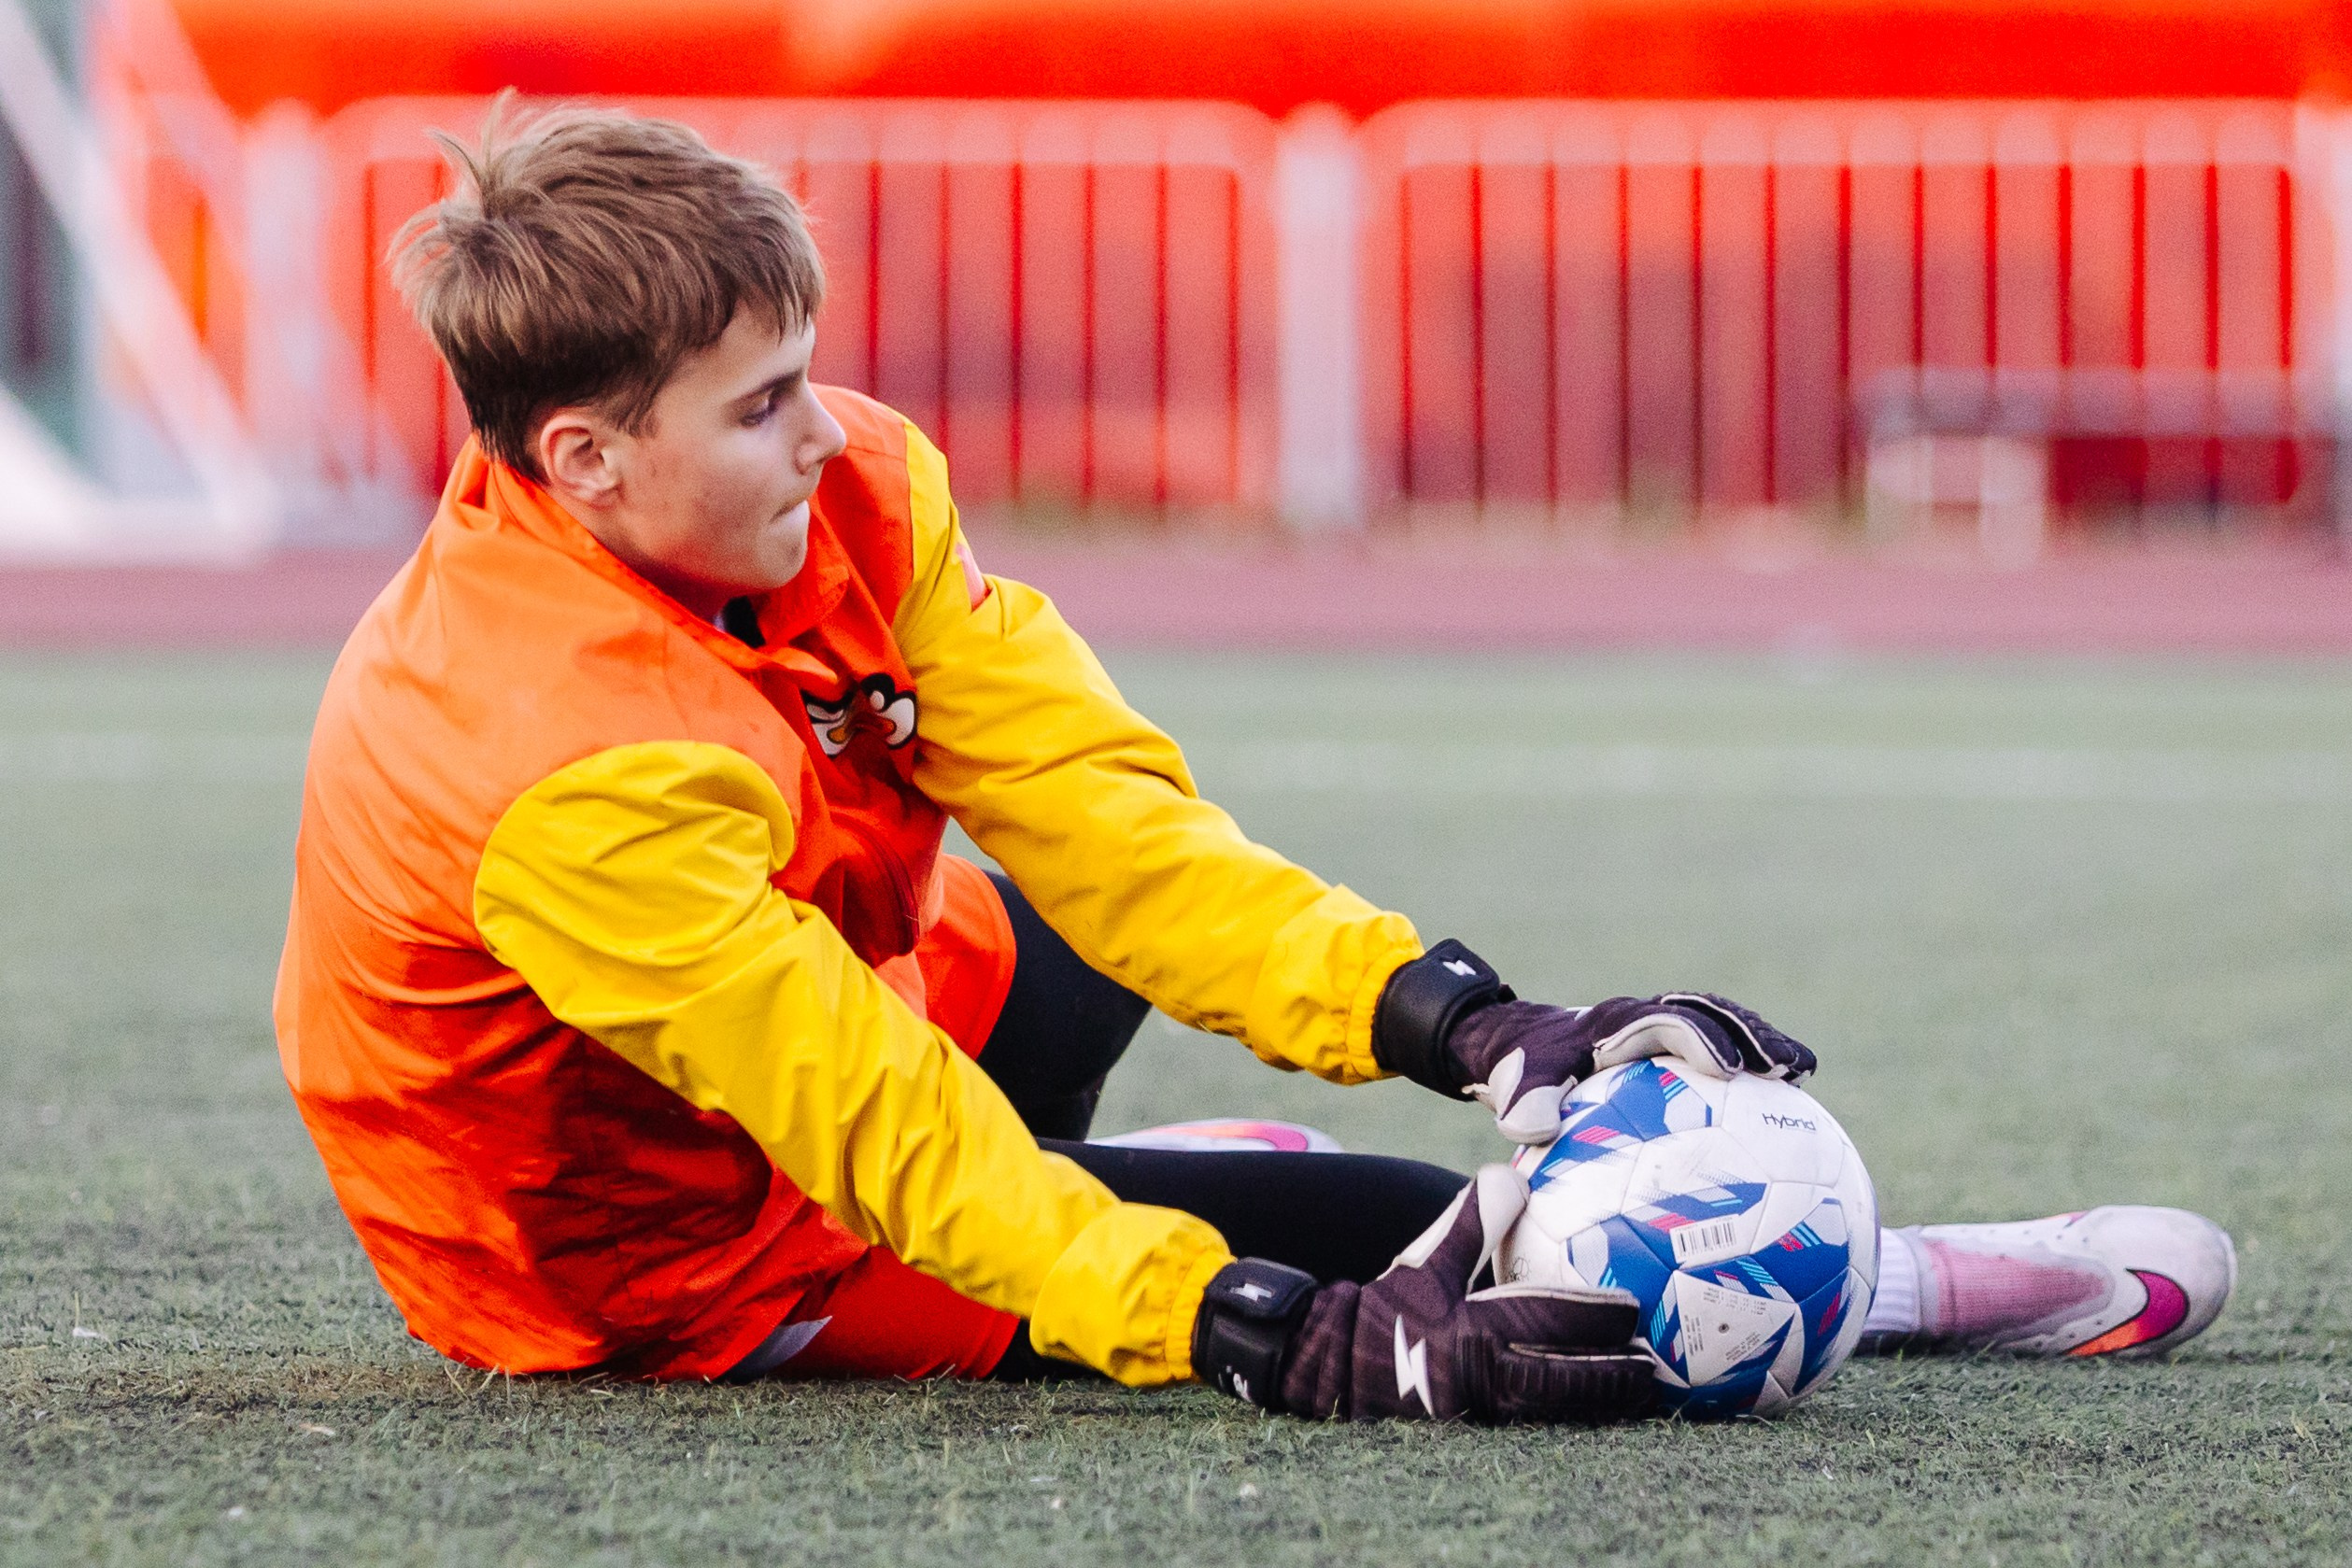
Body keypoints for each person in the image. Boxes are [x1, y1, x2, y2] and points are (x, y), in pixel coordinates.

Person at [274, 105, 2233, 1426]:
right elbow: (869, 1121)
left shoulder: (848, 489)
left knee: (1074, 914)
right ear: (584, 466)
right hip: (660, 1241)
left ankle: (1142, 1190)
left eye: (808, 370)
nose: (826, 433)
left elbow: (1114, 827)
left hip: (824, 1009)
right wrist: (1233, 1325)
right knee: (1404, 1249)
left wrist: (1465, 1024)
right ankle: (1897, 1279)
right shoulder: (548, 763)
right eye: (762, 403)